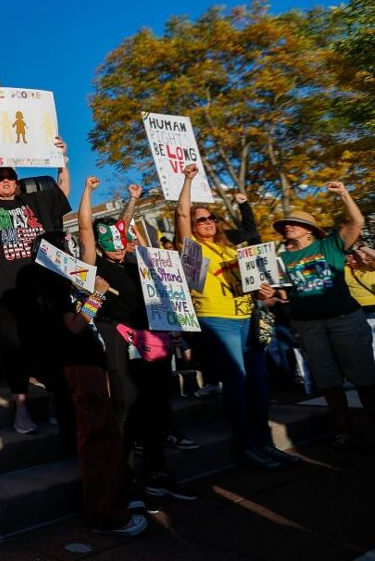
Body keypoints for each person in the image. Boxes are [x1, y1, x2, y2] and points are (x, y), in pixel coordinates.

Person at [78, 178, 197, 503]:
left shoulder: (137, 263)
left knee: (157, 406)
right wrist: (86, 192)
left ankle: (158, 473)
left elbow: (123, 226)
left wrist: (133, 200)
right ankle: (125, 480)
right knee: (126, 408)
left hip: (152, 337)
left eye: (121, 240)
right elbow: (87, 228)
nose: (118, 245)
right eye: (111, 242)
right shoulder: (93, 265)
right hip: (116, 336)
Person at [175, 165, 296, 469]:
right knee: (237, 382)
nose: (207, 223)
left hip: (247, 319)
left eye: (211, 218)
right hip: (216, 320)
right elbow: (181, 215)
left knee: (259, 382)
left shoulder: (232, 251)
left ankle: (264, 443)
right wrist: (188, 180)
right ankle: (245, 446)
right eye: (200, 219)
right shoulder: (190, 249)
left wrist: (261, 292)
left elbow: (253, 287)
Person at [0, 137, 72, 435]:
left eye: (10, 177)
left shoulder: (35, 202)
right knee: (16, 351)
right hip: (4, 295)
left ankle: (58, 403)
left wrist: (61, 157)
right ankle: (21, 410)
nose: (5, 181)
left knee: (51, 349)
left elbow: (64, 191)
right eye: (0, 178)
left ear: (16, 183)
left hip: (42, 292)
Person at [265, 184, 375, 448]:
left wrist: (344, 194)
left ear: (309, 230)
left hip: (344, 319)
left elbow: (357, 221)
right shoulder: (280, 258)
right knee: (327, 381)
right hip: (307, 324)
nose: (287, 227)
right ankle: (344, 429)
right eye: (285, 225)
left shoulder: (331, 245)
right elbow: (281, 297)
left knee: (364, 377)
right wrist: (267, 292)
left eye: (293, 223)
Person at [46, 269, 148, 536]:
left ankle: (110, 505)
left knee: (105, 435)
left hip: (91, 364)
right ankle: (104, 514)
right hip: (81, 366)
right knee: (98, 438)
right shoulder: (55, 289)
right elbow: (75, 326)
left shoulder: (69, 285)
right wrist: (97, 297)